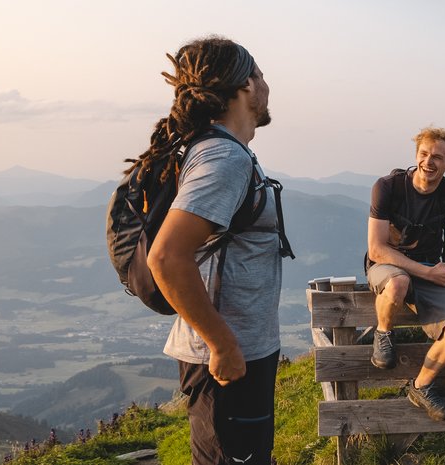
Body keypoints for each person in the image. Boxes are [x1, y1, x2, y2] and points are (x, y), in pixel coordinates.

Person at [145, 36, 286, 464]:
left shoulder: (226, 152)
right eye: (260, 74)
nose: (266, 84)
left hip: (240, 351)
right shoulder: (224, 159)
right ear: (245, 84)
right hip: (226, 359)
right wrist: (223, 344)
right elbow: (167, 257)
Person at [365, 126, 445, 421]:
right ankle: (384, 333)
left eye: (438, 157)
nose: (429, 162)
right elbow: (376, 250)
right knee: (398, 283)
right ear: (416, 156)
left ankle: (421, 386)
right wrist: (427, 272)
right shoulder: (388, 187)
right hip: (390, 267)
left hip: (429, 270)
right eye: (424, 154)